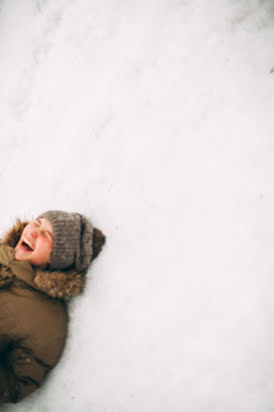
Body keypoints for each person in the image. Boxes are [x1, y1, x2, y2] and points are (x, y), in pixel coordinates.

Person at [0, 210, 105, 403]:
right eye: (37, 223)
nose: (33, 231)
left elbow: (19, 382)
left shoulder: (47, 317)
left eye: (46, 235)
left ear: (57, 260)